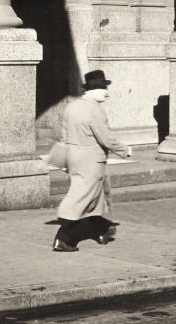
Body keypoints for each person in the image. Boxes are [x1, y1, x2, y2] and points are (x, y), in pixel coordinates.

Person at [52, 69, 132, 252]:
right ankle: (64, 238)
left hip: (75, 160)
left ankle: (101, 231)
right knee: (82, 198)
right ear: (97, 90)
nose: (107, 92)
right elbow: (106, 138)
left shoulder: (72, 107)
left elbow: (64, 136)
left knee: (96, 198)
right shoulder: (95, 110)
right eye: (104, 88)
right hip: (91, 163)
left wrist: (63, 162)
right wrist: (124, 150)